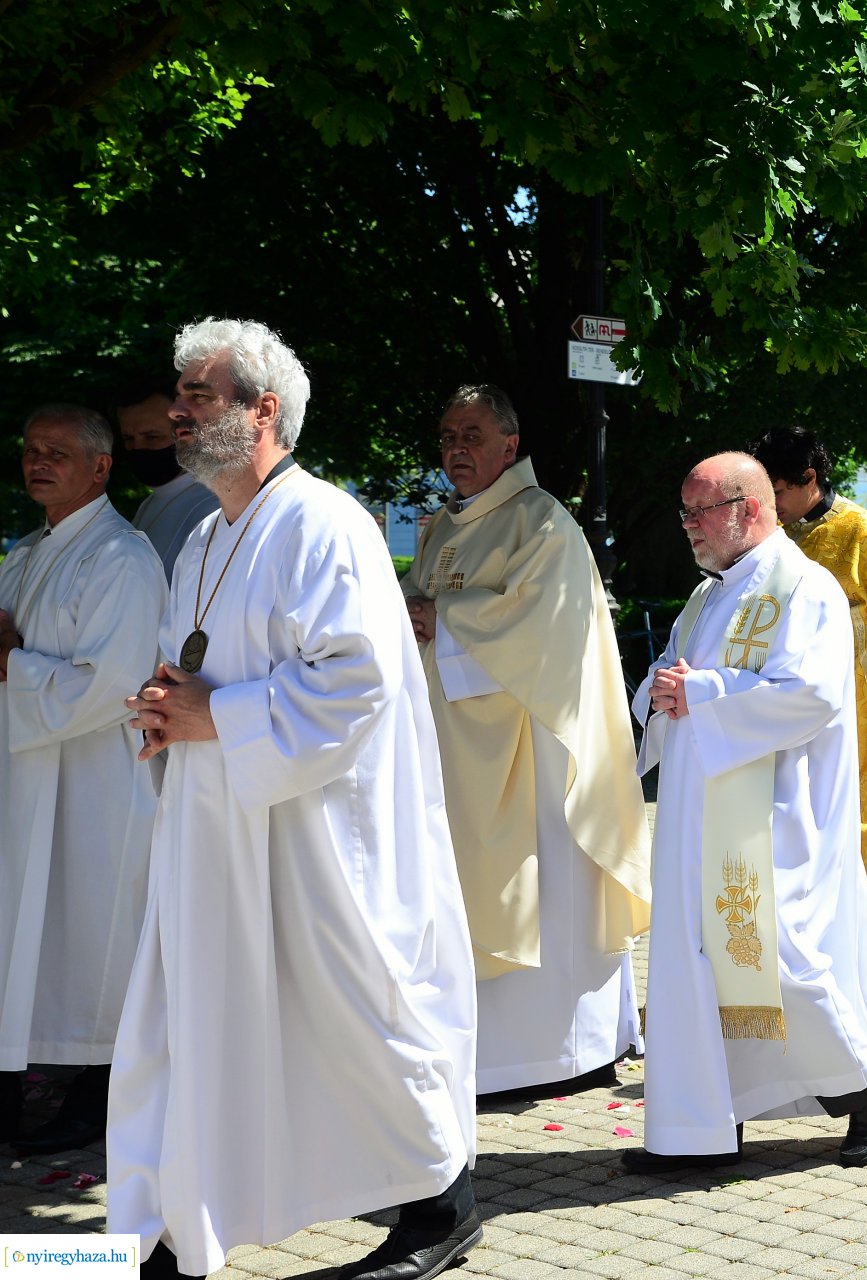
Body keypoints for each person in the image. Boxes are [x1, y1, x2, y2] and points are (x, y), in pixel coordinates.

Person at [115, 319, 479, 1280]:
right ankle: (169, 1221)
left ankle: (442, 1206)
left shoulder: (328, 524)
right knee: (191, 1014)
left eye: (199, 395)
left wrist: (215, 716)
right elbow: (194, 664)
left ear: (263, 410)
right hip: (215, 820)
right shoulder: (201, 535)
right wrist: (164, 712)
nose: (178, 412)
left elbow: (353, 681)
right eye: (180, 394)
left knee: (350, 1012)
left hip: (316, 832)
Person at [626, 454, 867, 1174]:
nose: (688, 526)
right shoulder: (707, 595)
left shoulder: (803, 587)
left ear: (748, 509)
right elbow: (674, 676)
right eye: (685, 512)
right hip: (701, 808)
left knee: (776, 958)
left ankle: (863, 1080)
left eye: (700, 512)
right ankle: (693, 1133)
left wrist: (707, 690)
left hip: (777, 814)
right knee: (696, 968)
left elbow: (810, 694)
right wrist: (660, 695)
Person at [400, 385, 649, 1097]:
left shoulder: (541, 523)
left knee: (544, 889)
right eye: (448, 434)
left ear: (510, 445)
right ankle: (475, 1050)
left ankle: (562, 1051)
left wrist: (440, 619)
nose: (456, 448)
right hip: (455, 744)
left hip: (535, 752)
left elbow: (544, 629)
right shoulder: (447, 527)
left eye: (472, 434)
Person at [0, 405, 167, 1153]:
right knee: (31, 934)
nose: (39, 462)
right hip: (31, 775)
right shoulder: (27, 550)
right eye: (32, 451)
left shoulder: (120, 558)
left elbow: (114, 686)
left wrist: (10, 661)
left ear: (100, 468)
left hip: (95, 786)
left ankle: (98, 1094)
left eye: (58, 453)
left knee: (94, 937)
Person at [751, 426, 867, 978]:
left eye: (776, 492)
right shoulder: (774, 536)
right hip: (783, 705)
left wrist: (853, 711)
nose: (770, 508)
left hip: (852, 707)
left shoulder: (862, 534)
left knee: (857, 819)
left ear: (809, 479)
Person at [116, 381, 222, 581]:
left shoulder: (212, 506)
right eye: (129, 439)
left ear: (182, 433)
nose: (138, 448)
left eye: (152, 437)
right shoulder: (149, 503)